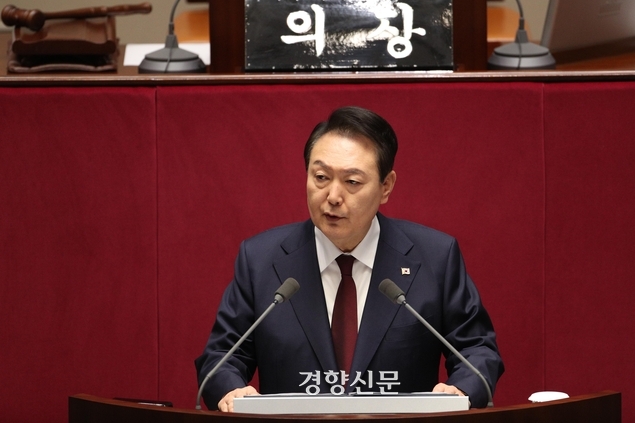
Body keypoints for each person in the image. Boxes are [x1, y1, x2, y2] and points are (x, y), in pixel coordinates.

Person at [195, 106, 503, 412]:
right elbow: (222, 357)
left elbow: (477, 349)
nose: (332, 196)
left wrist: (461, 389)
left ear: (386, 187)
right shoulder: (260, 259)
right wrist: (230, 388)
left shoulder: (434, 257)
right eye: (321, 177)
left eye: (352, 182)